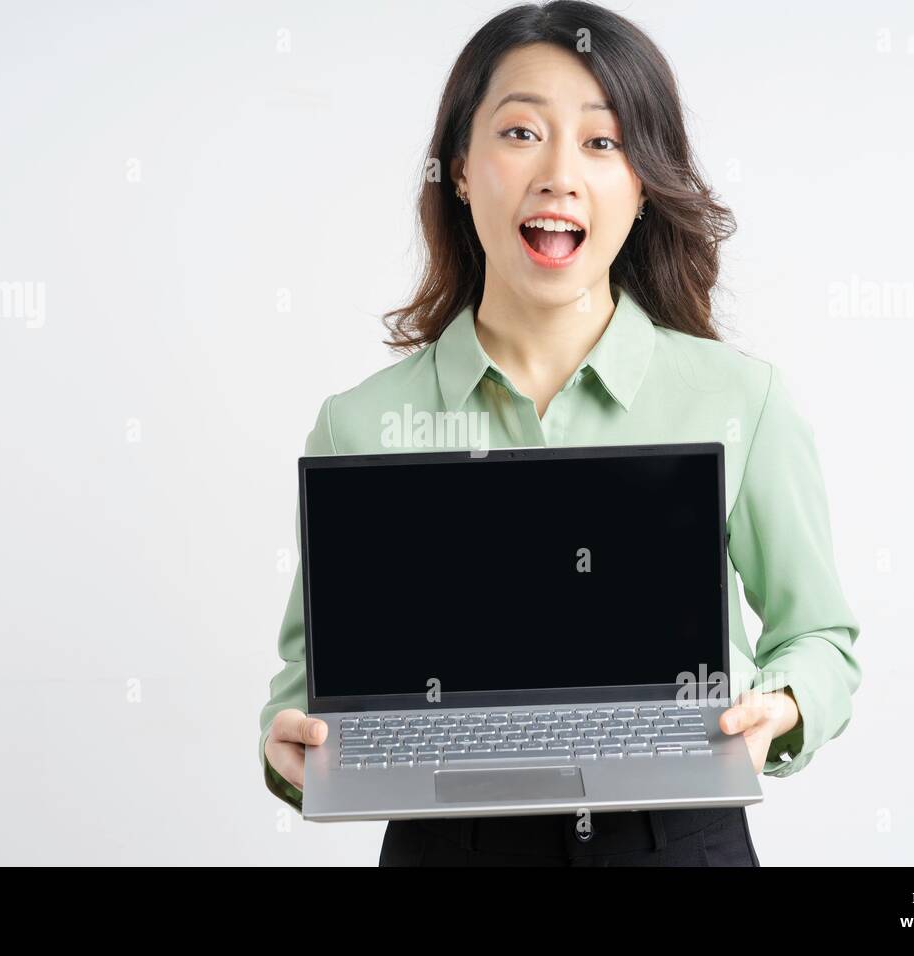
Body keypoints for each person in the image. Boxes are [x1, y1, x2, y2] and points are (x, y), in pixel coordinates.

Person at [258, 0, 861, 866]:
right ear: (460, 169)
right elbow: (305, 688)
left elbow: (820, 636)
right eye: (519, 134)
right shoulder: (359, 424)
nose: (558, 174)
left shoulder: (742, 399)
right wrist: (290, 750)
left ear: (643, 181)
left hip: (673, 841)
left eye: (602, 142)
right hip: (447, 847)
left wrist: (787, 702)